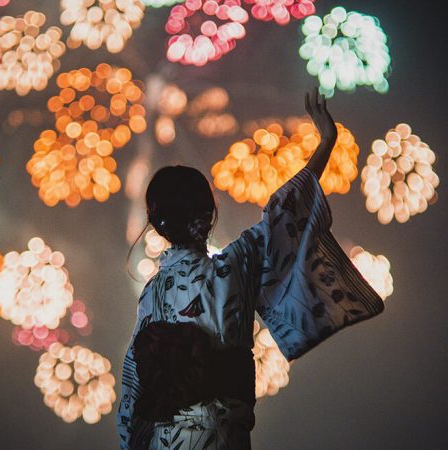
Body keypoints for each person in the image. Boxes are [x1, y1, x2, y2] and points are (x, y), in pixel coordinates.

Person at [117, 88, 385, 449]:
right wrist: (326, 141)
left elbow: (133, 394)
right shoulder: (234, 267)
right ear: (209, 216)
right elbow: (286, 209)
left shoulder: (151, 294)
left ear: (158, 225)